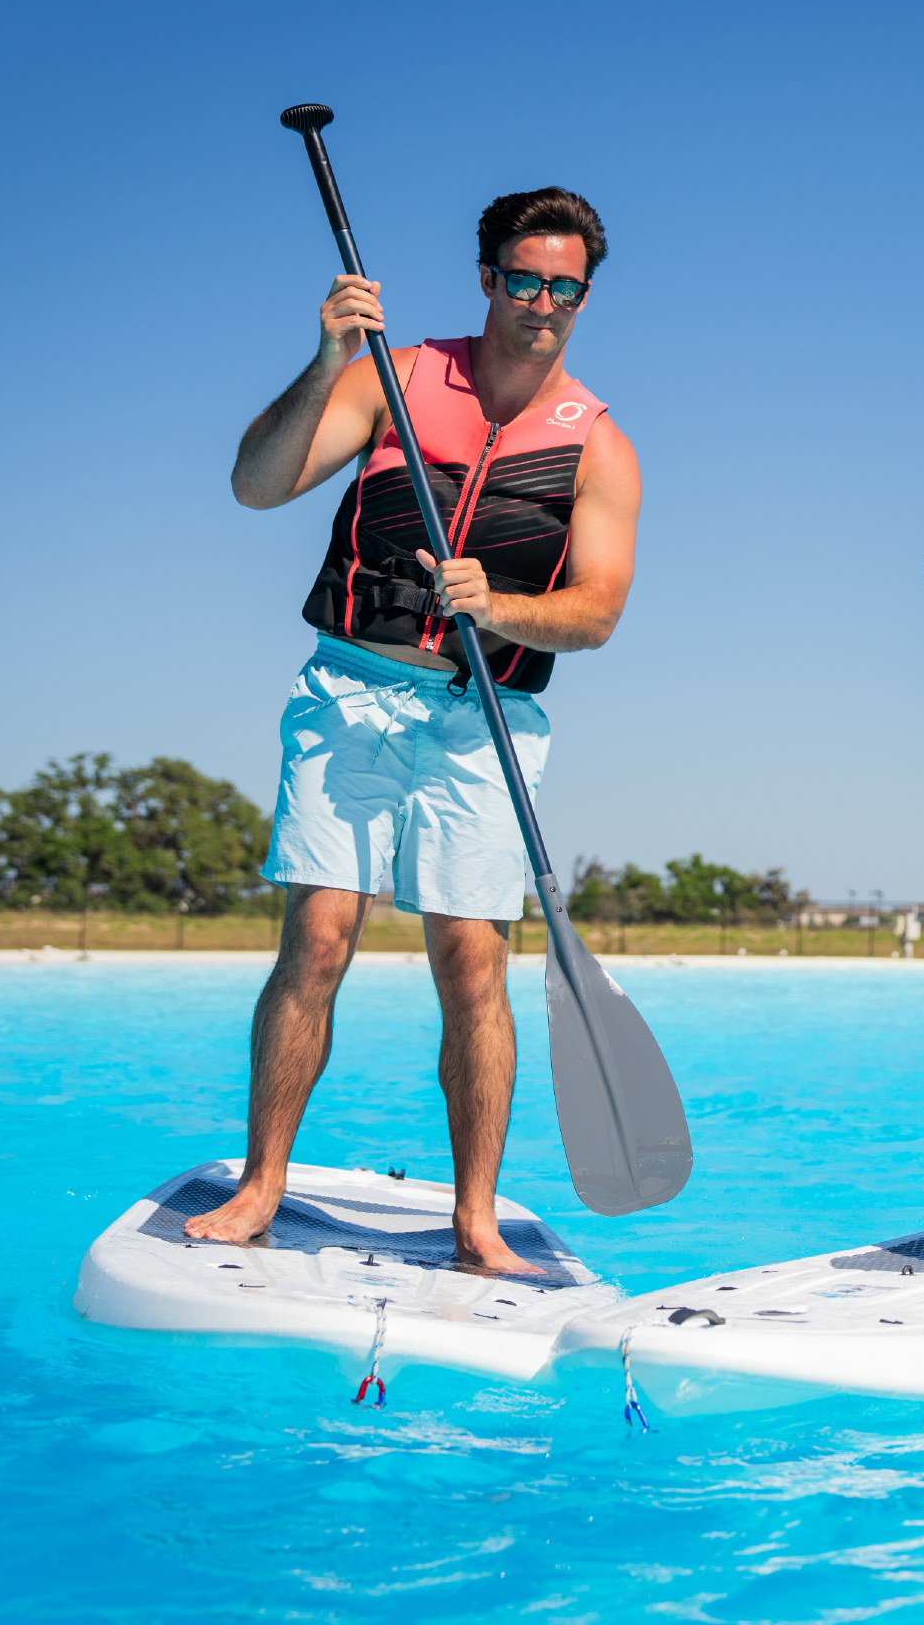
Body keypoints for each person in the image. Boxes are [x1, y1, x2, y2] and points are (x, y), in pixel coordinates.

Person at [183, 188, 641, 1272]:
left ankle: (475, 1219)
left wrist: (506, 608)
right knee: (321, 936)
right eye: (524, 280)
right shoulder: (389, 381)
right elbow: (255, 484)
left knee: (471, 961)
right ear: (488, 278)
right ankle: (261, 1186)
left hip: (485, 720)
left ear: (584, 295)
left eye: (563, 287)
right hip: (349, 694)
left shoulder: (599, 446)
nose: (542, 303)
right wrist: (327, 352)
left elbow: (600, 612)